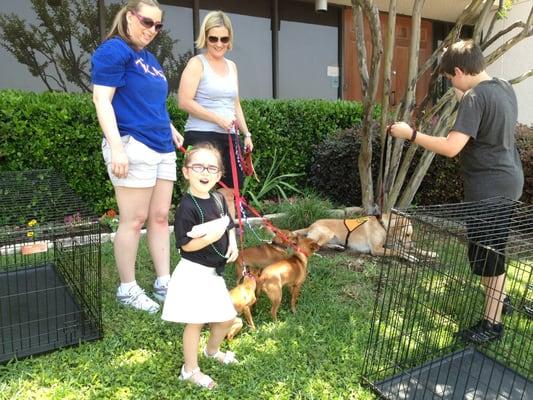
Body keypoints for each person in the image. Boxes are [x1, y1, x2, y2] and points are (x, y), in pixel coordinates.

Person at [389, 39, 524, 344]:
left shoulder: (474, 99)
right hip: (510, 178)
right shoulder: (502, 86)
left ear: (461, 71)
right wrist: (462, 92)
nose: (451, 83)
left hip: (489, 187)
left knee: (488, 253)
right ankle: (500, 301)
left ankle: (492, 324)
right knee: (494, 245)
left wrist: (410, 134)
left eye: (451, 77)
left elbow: (451, 147)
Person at [91, 0, 183, 313]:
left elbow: (150, 101)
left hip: (161, 146)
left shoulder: (150, 59)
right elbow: (102, 100)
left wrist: (169, 126)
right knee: (133, 220)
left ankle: (163, 282)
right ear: (129, 16)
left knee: (159, 218)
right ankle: (127, 289)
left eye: (158, 26)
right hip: (133, 145)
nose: (152, 30)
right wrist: (116, 147)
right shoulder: (114, 50)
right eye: (147, 22)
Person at [162, 143, 239, 390]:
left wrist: (233, 243)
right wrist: (210, 238)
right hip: (193, 273)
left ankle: (211, 350)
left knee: (227, 317)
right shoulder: (187, 206)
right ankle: (190, 370)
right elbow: (185, 245)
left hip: (213, 273)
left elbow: (228, 224)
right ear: (186, 172)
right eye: (198, 167)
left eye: (211, 168)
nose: (205, 173)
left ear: (218, 175)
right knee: (194, 322)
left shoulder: (218, 198)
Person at [178, 10, 253, 218]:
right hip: (202, 134)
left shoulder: (232, 66)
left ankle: (227, 239)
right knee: (202, 191)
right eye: (213, 38)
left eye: (224, 38)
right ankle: (200, 239)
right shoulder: (197, 64)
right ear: (205, 37)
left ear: (229, 39)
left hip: (229, 136)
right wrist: (217, 119)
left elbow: (235, 104)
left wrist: (246, 134)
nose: (219, 44)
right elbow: (184, 102)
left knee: (231, 191)